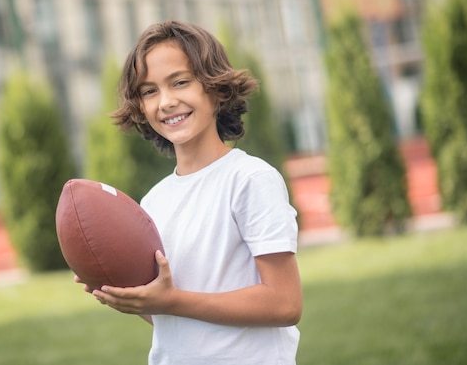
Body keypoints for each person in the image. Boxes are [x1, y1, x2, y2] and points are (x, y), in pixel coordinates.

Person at [79, 20, 302, 365]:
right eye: (149, 91)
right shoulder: (153, 202)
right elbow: (171, 316)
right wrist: (133, 298)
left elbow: (285, 304)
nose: (166, 101)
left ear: (216, 88)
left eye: (180, 82)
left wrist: (171, 301)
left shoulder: (250, 179)